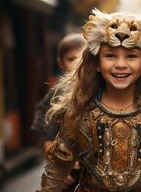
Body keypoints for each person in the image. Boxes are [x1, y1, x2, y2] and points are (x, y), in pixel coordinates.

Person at [38, 9, 141, 192]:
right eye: (110, 56)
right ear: (96, 63)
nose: (120, 64)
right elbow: (58, 169)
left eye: (131, 56)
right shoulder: (79, 110)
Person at [31, 32, 85, 191]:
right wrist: (58, 167)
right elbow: (47, 131)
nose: (77, 63)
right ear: (60, 62)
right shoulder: (59, 92)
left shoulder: (104, 87)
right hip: (69, 169)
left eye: (81, 57)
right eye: (71, 59)